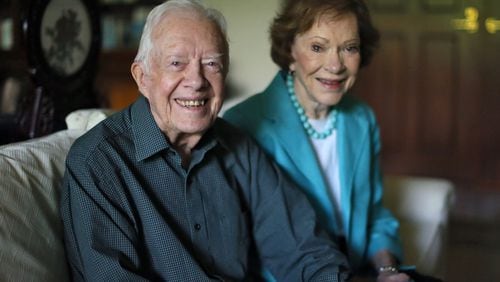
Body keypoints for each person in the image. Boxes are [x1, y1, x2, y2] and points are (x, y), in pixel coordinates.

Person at [59, 0, 351, 281]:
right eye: (176, 63)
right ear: (142, 76)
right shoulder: (97, 164)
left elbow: (304, 248)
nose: (197, 80)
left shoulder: (239, 149)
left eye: (212, 64)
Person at [224, 0, 411, 281]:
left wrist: (387, 270)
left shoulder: (361, 119)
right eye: (317, 47)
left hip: (357, 271)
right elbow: (241, 241)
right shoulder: (244, 123)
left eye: (349, 48)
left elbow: (375, 215)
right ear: (289, 51)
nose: (335, 65)